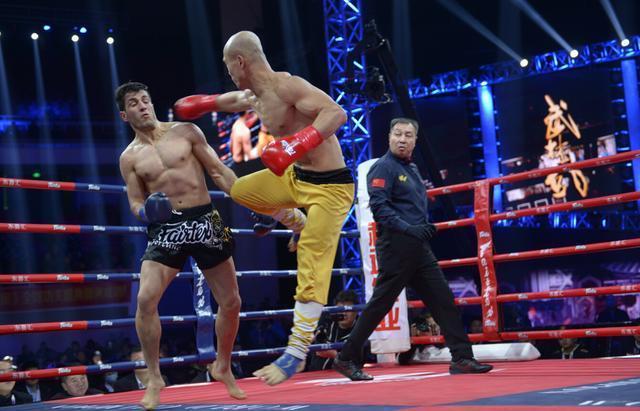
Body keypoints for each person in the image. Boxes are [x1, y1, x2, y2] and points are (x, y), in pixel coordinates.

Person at [174, 30, 354, 385]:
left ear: (240, 61)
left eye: (228, 65)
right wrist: (205, 103)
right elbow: (229, 100)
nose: (228, 72)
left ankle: (296, 352)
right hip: (296, 178)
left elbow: (336, 113)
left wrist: (296, 144)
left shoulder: (288, 87)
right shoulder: (253, 95)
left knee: (312, 260)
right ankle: (294, 220)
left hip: (330, 188)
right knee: (241, 189)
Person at [117, 81, 246, 408]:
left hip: (204, 220)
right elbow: (135, 202)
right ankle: (154, 377)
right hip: (166, 227)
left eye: (145, 99)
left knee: (231, 301)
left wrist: (251, 199)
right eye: (134, 103)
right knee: (145, 299)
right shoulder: (129, 157)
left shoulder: (186, 131)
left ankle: (223, 364)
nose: (143, 106)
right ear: (124, 114)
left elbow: (218, 171)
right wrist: (147, 211)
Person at [332, 118, 493, 380]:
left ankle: (462, 357)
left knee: (443, 300)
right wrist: (409, 229)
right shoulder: (383, 167)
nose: (402, 139)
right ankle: (346, 357)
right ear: (389, 137)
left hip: (418, 247)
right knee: (380, 305)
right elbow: (380, 209)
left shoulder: (412, 169)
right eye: (397, 134)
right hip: (396, 247)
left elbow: (411, 207)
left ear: (415, 141)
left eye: (408, 135)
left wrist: (422, 226)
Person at [307, 290, 369, 371]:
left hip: (345, 373)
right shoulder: (326, 320)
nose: (344, 313)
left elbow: (359, 362)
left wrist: (335, 355)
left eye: (347, 310)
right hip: (315, 372)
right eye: (340, 309)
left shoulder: (362, 328)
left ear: (356, 311)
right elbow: (315, 347)